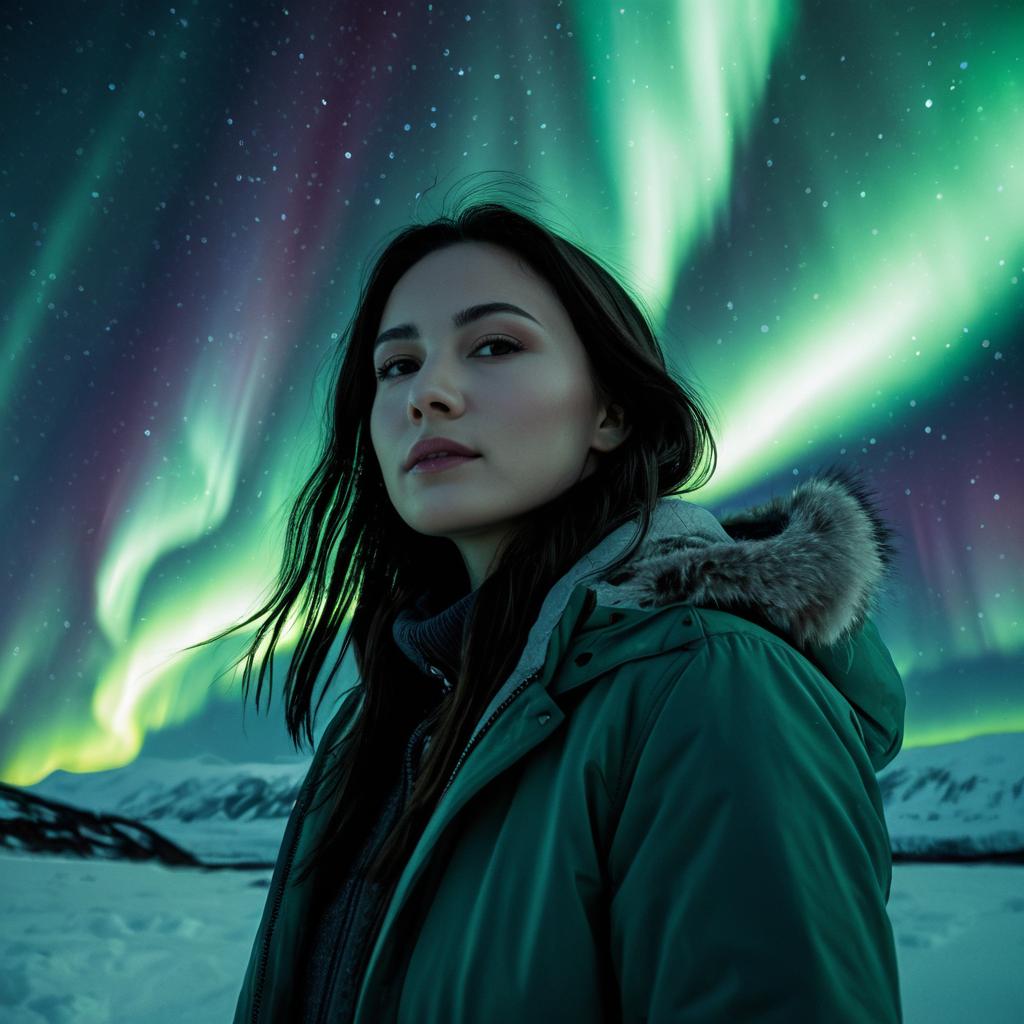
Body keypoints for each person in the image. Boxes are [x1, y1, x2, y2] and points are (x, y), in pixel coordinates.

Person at [205, 187, 905, 1022]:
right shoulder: (378, 726)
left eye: (494, 346)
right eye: (397, 366)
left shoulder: (708, 686)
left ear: (609, 411)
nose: (428, 393)